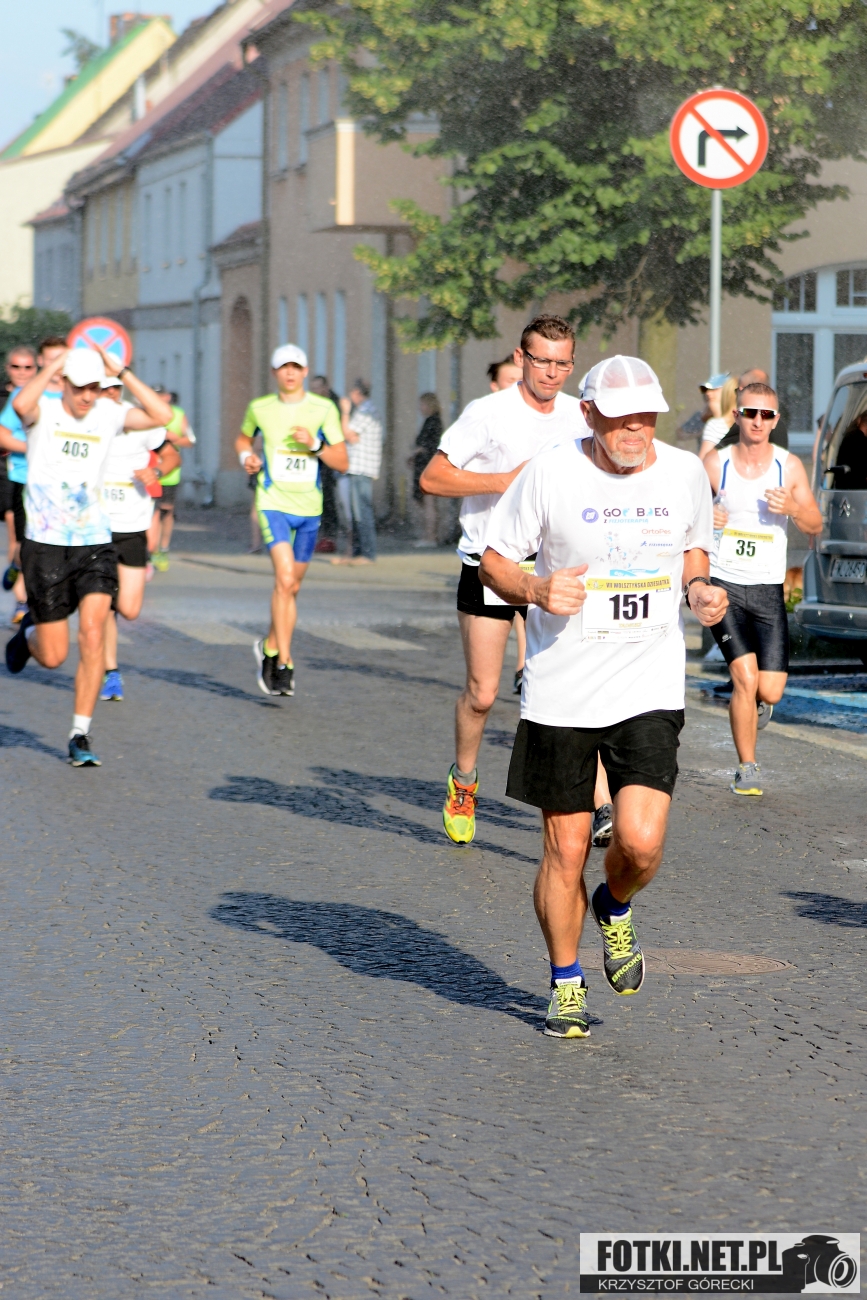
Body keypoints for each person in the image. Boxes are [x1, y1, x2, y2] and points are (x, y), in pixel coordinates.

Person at [479, 353, 727, 1037]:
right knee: (565, 848)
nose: (635, 430)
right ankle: (565, 980)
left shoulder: (684, 472)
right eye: (620, 419)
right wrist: (534, 588)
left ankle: (614, 904)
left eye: (645, 417)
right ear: (588, 414)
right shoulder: (550, 472)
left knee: (640, 843)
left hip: (647, 682)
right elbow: (493, 561)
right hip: (561, 690)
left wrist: (698, 588)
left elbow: (694, 548)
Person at [419, 314, 590, 845]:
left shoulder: (580, 416)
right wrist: (505, 482)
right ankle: (464, 782)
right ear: (520, 358)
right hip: (490, 564)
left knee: (576, 689)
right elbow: (432, 477)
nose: (552, 372)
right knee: (483, 693)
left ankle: (595, 799)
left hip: (555, 567)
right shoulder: (487, 413)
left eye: (562, 363)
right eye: (542, 361)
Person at [4, 345, 172, 765]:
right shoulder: (44, 410)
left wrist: (123, 372)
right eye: (79, 387)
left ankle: (80, 733)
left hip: (94, 541)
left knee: (94, 632)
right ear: (64, 383)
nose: (86, 396)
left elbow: (162, 416)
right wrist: (55, 364)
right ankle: (28, 638)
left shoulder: (108, 413)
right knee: (54, 655)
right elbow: (21, 404)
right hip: (45, 545)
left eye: (93, 388)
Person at [703, 382, 822, 795]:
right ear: (737, 416)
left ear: (775, 421)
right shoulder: (715, 463)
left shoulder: (788, 467)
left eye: (766, 415)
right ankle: (747, 767)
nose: (757, 421)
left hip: (767, 587)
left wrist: (792, 508)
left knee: (769, 689)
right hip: (724, 583)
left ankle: (755, 704)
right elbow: (682, 516)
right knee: (744, 676)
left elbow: (815, 523)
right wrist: (706, 516)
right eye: (750, 413)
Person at [236, 344, 348, 697]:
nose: (290, 373)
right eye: (284, 367)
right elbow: (242, 438)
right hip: (273, 503)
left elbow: (342, 461)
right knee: (284, 580)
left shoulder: (323, 409)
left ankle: (269, 646)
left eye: (296, 367)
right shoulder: (260, 408)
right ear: (274, 373)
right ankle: (284, 662)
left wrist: (315, 445)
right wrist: (246, 457)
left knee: (292, 588)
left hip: (309, 509)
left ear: (305, 371)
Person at [98, 375, 180, 701]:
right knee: (103, 603)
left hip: (132, 526)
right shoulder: (87, 423)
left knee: (129, 610)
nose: (109, 393)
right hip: (96, 527)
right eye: (102, 388)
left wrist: (156, 471)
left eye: (114, 388)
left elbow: (172, 456)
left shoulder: (139, 420)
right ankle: (110, 672)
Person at [0, 340, 66, 625]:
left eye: (62, 359)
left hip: (60, 484)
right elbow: (2, 434)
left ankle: (43, 590)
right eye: (52, 359)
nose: (58, 366)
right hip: (25, 478)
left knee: (51, 543)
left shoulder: (77, 395)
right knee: (25, 541)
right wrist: (34, 448)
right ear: (42, 361)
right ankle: (22, 601)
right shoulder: (26, 394)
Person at [331, 380, 383, 566]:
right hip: (358, 467)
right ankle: (356, 553)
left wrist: (345, 412)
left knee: (362, 512)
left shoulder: (366, 411)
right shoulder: (364, 410)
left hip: (362, 468)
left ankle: (367, 554)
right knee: (356, 513)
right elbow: (351, 435)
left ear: (357, 393)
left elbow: (348, 434)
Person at [147, 388, 195, 571]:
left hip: (170, 473)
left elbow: (190, 441)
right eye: (155, 395)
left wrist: (170, 439)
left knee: (166, 512)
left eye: (161, 395)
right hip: (148, 471)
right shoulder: (144, 413)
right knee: (152, 512)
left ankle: (163, 548)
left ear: (167, 397)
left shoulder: (178, 414)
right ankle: (151, 550)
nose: (159, 399)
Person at [716, 369, 789, 451]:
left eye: (766, 414)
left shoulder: (745, 423)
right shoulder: (779, 426)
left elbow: (718, 452)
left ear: (741, 390)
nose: (757, 423)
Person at [409, 392, 443, 548]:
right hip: (426, 465)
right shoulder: (431, 421)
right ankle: (429, 535)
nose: (420, 408)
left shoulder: (433, 422)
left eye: (422, 404)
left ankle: (430, 537)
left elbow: (429, 445)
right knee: (426, 502)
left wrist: (415, 453)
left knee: (429, 502)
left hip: (428, 466)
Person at [697, 372, 737, 462]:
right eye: (705, 390)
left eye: (714, 389)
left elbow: (703, 462)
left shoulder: (714, 424)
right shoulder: (704, 418)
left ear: (728, 392)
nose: (708, 393)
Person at [829, 409, 867, 490]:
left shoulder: (848, 437)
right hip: (856, 489)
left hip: (843, 488)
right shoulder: (861, 441)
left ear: (859, 420)